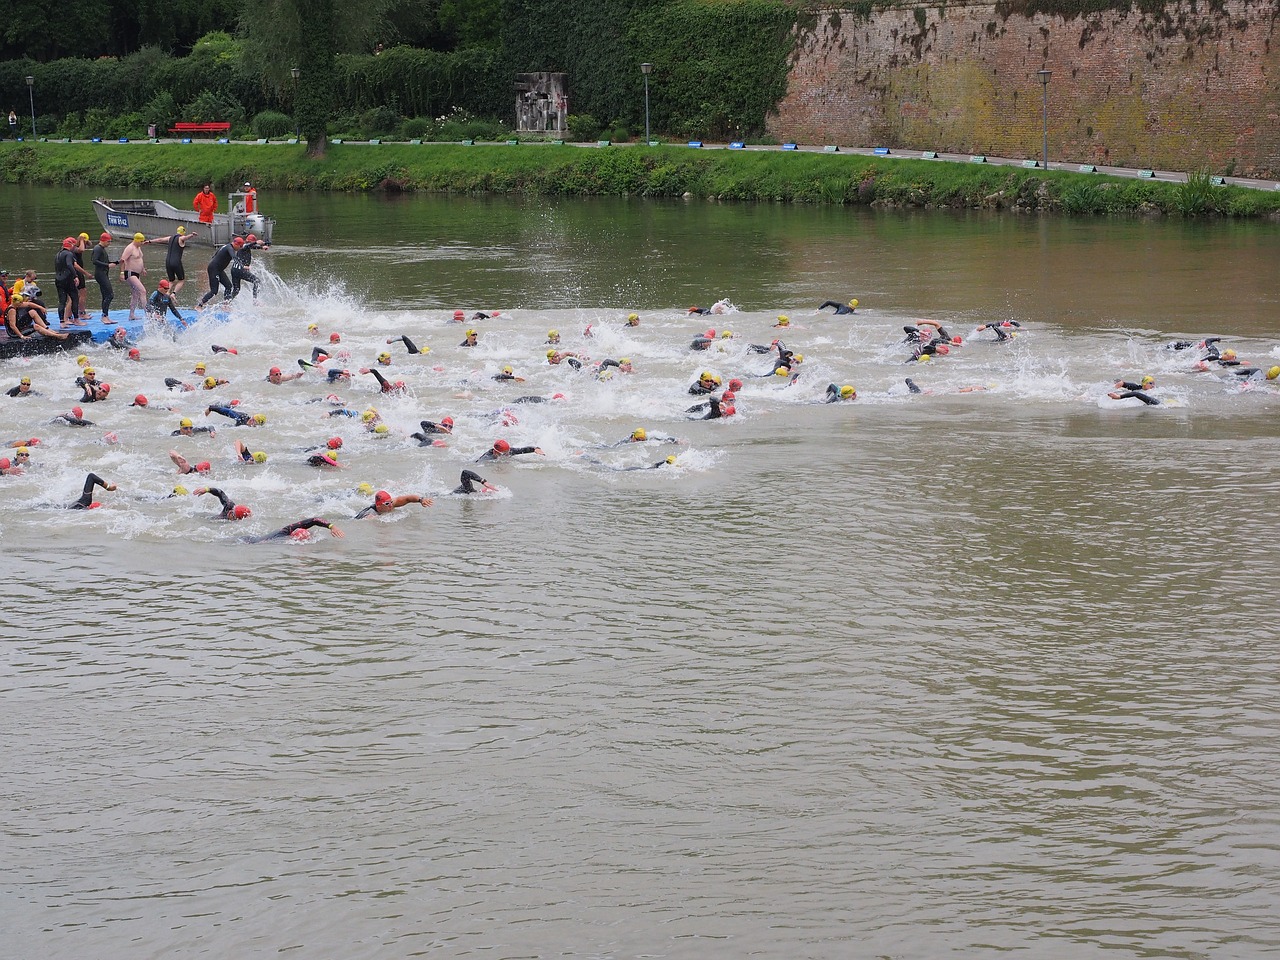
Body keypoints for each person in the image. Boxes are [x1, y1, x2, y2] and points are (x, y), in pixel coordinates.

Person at [197, 237, 242, 308]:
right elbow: (233, 256)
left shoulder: (226, 246)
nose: (240, 248)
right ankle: (199, 306)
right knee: (214, 291)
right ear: (237, 244)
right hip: (214, 269)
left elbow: (214, 255)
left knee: (228, 286)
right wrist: (240, 264)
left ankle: (225, 306)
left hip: (218, 270)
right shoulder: (230, 248)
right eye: (240, 246)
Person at [149, 225, 189, 297]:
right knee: (181, 280)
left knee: (171, 281)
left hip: (168, 262)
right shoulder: (181, 238)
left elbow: (160, 240)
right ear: (183, 233)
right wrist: (192, 235)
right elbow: (185, 238)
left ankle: (167, 293)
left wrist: (149, 241)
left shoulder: (170, 238)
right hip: (176, 262)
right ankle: (173, 294)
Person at [54, 237, 86, 325]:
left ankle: (62, 322)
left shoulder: (58, 254)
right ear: (71, 245)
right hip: (68, 279)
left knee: (62, 301)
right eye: (74, 245)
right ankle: (76, 320)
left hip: (58, 279)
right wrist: (75, 276)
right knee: (75, 298)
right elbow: (69, 264)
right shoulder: (69, 254)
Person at [118, 232, 148, 320]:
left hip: (137, 273)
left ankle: (131, 315)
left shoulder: (138, 248)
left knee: (135, 294)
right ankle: (148, 313)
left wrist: (142, 269)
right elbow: (122, 260)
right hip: (130, 273)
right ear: (136, 240)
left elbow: (139, 259)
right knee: (143, 291)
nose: (142, 243)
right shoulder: (130, 248)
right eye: (141, 241)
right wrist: (122, 273)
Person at [230, 233, 269, 301]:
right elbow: (248, 245)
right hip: (240, 270)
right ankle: (255, 300)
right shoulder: (244, 246)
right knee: (256, 281)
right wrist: (256, 242)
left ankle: (227, 303)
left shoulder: (245, 247)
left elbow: (252, 246)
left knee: (236, 290)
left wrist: (261, 247)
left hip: (234, 270)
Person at [245, 517, 344, 543]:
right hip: (247, 540)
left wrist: (331, 526)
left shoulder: (289, 530)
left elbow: (314, 520)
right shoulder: (282, 537)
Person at [353, 490, 433, 518]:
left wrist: (421, 500)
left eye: (391, 502)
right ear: (378, 505)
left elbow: (407, 498)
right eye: (387, 503)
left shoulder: (391, 503)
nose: (391, 505)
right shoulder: (371, 515)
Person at [91, 232, 117, 319]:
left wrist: (116, 262)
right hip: (100, 274)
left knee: (105, 295)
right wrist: (107, 265)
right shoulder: (98, 248)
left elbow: (104, 262)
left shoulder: (102, 249)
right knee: (110, 295)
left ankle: (105, 315)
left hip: (103, 273)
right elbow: (94, 261)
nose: (109, 243)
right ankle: (104, 315)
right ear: (103, 240)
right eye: (108, 242)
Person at [475, 438, 545, 462]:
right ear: (495, 452)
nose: (508, 454)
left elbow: (522, 449)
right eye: (505, 454)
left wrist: (535, 448)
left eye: (508, 452)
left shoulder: (508, 451)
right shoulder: (487, 459)